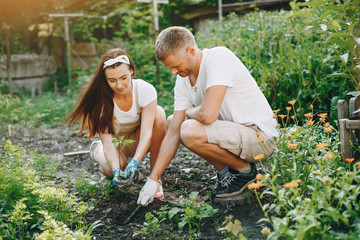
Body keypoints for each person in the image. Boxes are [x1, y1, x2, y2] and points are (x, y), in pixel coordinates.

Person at [137, 26, 278, 206]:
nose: (173, 72)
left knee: (188, 128)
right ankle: (229, 174)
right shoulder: (182, 81)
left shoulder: (219, 58)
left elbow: (208, 115)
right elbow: (173, 132)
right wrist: (153, 179)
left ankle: (244, 172)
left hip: (259, 138)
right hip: (235, 136)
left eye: (176, 65)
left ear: (191, 51)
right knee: (174, 122)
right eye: (169, 68)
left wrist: (188, 112)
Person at [67, 48, 166, 199]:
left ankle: (155, 178)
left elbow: (147, 134)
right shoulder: (101, 100)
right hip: (111, 146)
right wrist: (115, 171)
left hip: (135, 141)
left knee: (158, 114)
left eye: (123, 77)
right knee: (116, 166)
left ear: (132, 71)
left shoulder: (145, 90)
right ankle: (106, 173)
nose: (119, 85)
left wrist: (135, 164)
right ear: (105, 79)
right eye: (112, 81)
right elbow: (108, 143)